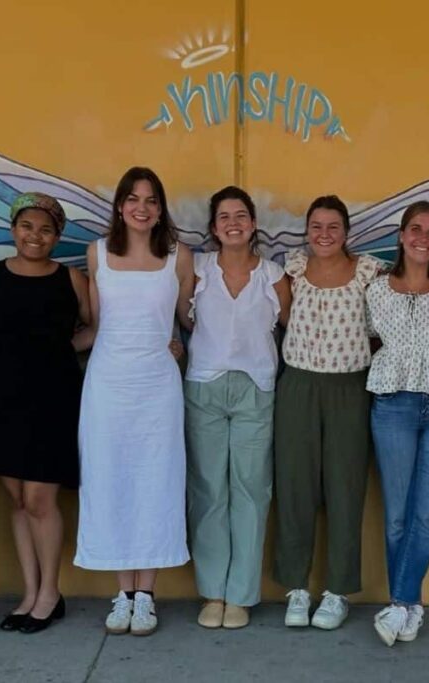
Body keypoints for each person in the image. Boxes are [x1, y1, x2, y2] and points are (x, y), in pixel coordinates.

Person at [75, 166, 194, 636]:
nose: (141, 208)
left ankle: (147, 595)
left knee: (156, 482)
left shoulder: (178, 257)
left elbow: (187, 318)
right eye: (132, 198)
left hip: (158, 386)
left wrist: (184, 342)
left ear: (160, 208)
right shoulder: (97, 254)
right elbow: (98, 325)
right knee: (111, 481)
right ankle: (122, 592)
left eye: (150, 200)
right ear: (120, 205)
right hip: (107, 385)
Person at [0, 192, 90, 634]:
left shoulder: (72, 280)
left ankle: (50, 593)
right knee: (18, 500)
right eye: (27, 226)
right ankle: (29, 590)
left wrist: (61, 350)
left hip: (54, 397)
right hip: (3, 394)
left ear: (57, 236)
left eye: (45, 229)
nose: (35, 235)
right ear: (13, 228)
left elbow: (97, 325)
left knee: (41, 499)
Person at [184, 186, 290, 630]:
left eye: (241, 215)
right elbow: (174, 314)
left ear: (253, 224)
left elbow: (298, 327)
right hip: (204, 387)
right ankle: (213, 592)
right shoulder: (196, 269)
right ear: (213, 227)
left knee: (250, 490)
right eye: (224, 216)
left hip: (256, 389)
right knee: (208, 491)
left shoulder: (273, 275)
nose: (233, 222)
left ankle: (241, 594)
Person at [365, 201, 429, 646]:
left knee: (425, 516)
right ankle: (408, 604)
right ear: (401, 234)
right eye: (415, 229)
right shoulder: (375, 290)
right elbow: (365, 343)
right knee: (396, 517)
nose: (423, 238)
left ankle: (401, 604)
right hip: (392, 406)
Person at [274, 195, 382, 631]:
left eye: (333, 226)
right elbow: (282, 320)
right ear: (307, 230)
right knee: (295, 486)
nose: (324, 234)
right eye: (316, 226)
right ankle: (296, 588)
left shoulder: (370, 272)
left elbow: (389, 320)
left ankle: (337, 591)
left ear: (346, 231)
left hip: (350, 387)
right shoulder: (293, 270)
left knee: (345, 487)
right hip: (298, 385)